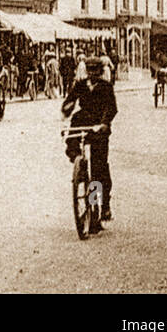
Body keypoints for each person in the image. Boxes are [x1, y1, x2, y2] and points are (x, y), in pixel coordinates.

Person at [62, 58, 118, 226]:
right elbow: (71, 100)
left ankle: (99, 209)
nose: (92, 74)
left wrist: (104, 123)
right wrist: (66, 109)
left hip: (99, 125)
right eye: (90, 70)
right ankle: (77, 158)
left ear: (100, 71)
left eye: (95, 71)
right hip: (84, 120)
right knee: (73, 129)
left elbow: (112, 108)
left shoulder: (106, 87)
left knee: (98, 171)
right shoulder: (80, 85)